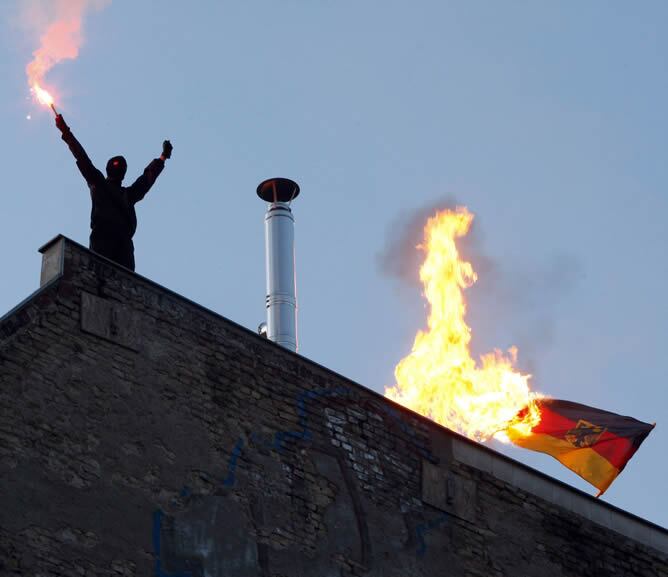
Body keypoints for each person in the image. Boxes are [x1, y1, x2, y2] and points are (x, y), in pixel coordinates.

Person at [55, 113, 172, 271]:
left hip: (119, 243)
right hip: (105, 240)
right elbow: (82, 157)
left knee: (122, 282)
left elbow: (147, 178)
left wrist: (162, 157)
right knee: (105, 276)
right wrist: (65, 131)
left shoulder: (123, 193)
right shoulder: (103, 185)